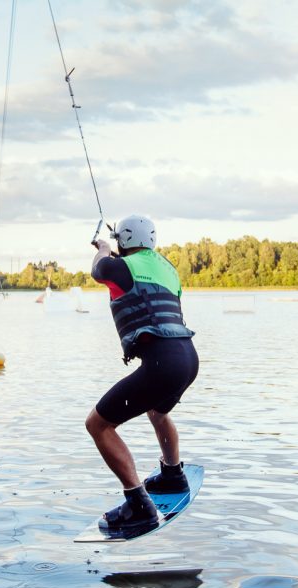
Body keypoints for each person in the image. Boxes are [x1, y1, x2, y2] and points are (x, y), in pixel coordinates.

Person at [86, 215, 199, 530]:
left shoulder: (120, 267)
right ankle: (172, 476)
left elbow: (99, 270)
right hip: (188, 359)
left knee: (98, 424)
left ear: (123, 240)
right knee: (157, 411)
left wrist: (104, 247)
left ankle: (138, 504)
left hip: (164, 364)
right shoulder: (168, 268)